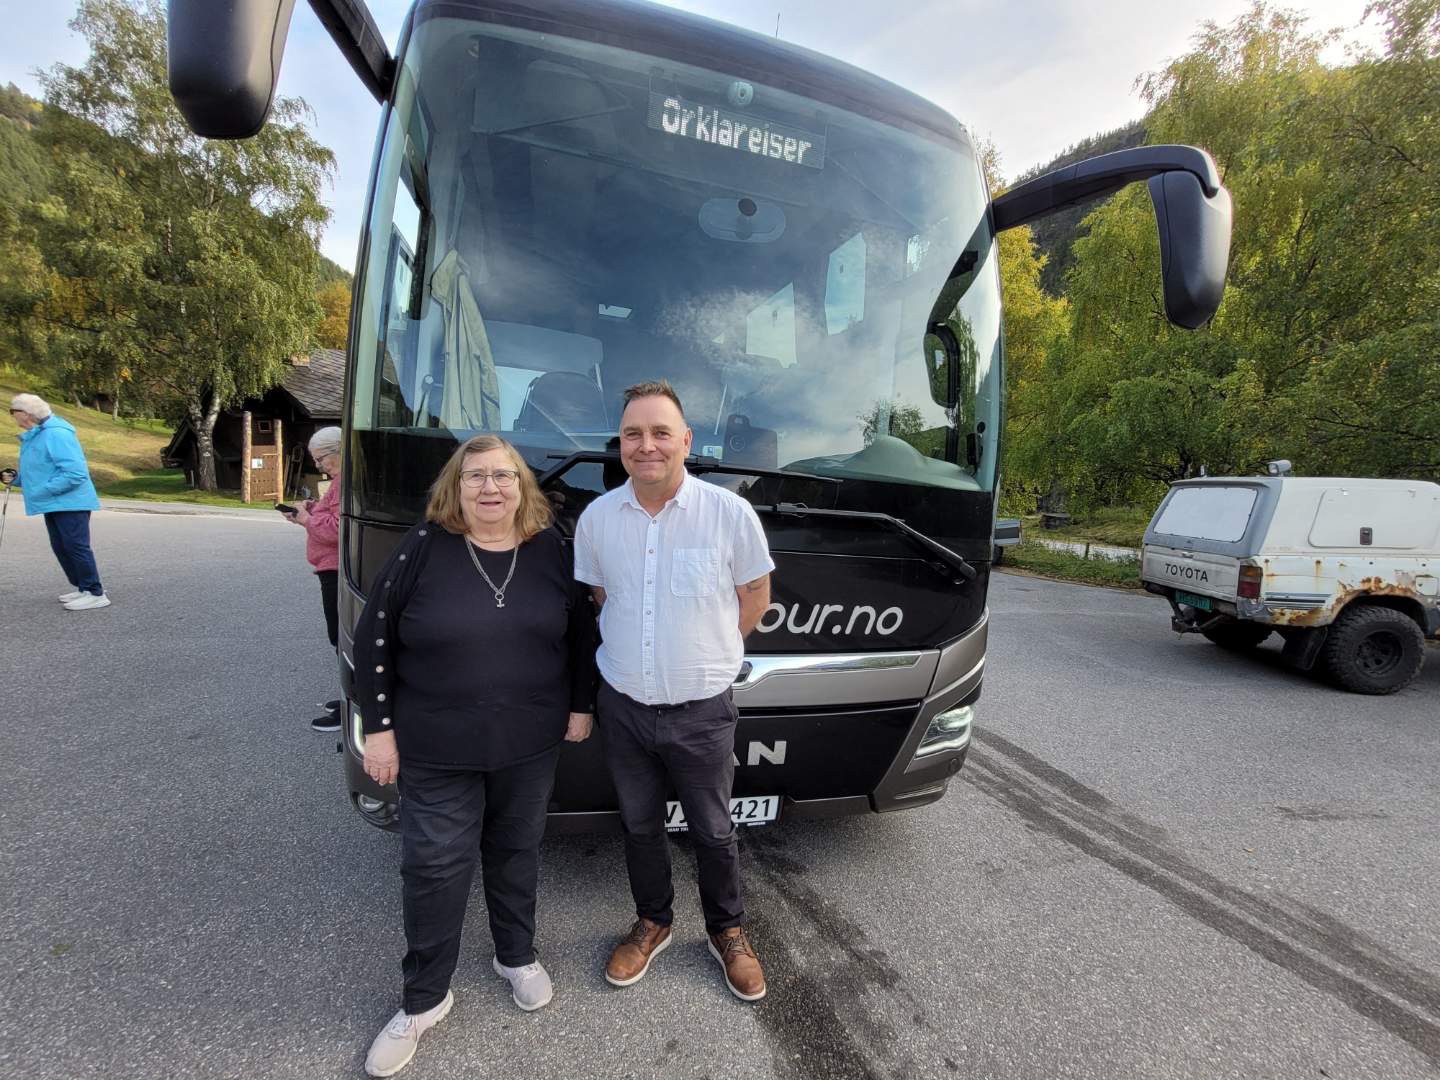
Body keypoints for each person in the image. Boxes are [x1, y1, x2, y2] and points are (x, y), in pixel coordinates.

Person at [350, 434, 597, 1078]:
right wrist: (379, 730)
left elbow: (581, 636)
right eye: (476, 476)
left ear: (522, 486)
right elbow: (373, 638)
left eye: (503, 476)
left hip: (528, 745)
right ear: (455, 488)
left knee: (516, 851)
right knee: (433, 867)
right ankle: (424, 999)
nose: (491, 487)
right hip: (436, 747)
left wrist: (580, 705)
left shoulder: (553, 550)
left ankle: (515, 955)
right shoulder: (423, 547)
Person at [573, 380, 775, 1002]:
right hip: (624, 707)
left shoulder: (729, 514)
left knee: (714, 830)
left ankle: (727, 932)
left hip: (702, 712)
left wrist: (707, 652)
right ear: (619, 444)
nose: (647, 445)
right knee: (639, 826)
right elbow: (601, 598)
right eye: (633, 433)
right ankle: (653, 922)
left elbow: (755, 597)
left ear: (686, 440)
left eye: (661, 432)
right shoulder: (597, 519)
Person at [2, 393, 109, 610]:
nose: (13, 417)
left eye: (13, 412)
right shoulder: (40, 434)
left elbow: (75, 473)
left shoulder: (57, 434)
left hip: (71, 502)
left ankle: (95, 593)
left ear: (26, 414)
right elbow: (40, 472)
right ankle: (83, 587)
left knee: (75, 546)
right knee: (61, 547)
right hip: (55, 501)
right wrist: (16, 478)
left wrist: (43, 491)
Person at [281, 427, 345, 732]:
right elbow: (331, 517)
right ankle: (349, 699)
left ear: (338, 451)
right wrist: (312, 510)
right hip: (331, 569)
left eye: (321, 459)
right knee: (340, 640)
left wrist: (307, 519)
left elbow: (338, 529)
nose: (318, 465)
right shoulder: (340, 481)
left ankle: (353, 706)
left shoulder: (344, 482)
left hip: (336, 569)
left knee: (342, 640)